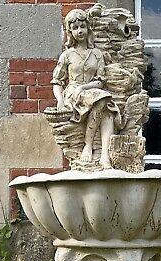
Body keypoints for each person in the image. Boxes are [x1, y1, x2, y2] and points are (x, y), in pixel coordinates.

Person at [51, 9, 121, 169]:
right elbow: (57, 81)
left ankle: (104, 156)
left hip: (91, 90)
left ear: (88, 27)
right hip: (73, 93)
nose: (79, 31)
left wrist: (84, 87)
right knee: (102, 99)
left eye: (82, 26)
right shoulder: (67, 55)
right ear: (70, 32)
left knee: (108, 110)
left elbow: (100, 81)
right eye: (75, 28)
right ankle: (88, 146)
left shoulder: (96, 54)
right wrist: (60, 101)